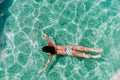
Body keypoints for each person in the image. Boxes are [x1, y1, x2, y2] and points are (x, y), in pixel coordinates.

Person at [39, 30, 103, 74]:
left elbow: (48, 63)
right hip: (68, 47)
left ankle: (95, 56)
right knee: (84, 48)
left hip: (68, 52)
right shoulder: (51, 44)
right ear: (47, 46)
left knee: (83, 55)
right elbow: (46, 37)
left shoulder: (52, 54)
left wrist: (43, 69)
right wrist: (42, 32)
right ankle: (96, 50)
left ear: (47, 51)